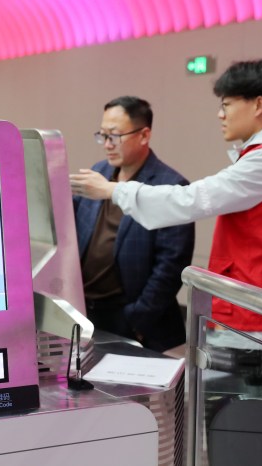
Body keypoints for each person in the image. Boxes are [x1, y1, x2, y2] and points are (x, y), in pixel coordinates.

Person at [70, 59, 262, 465]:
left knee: (245, 440)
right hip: (247, 325)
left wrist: (115, 193)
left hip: (253, 332)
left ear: (258, 105)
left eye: (227, 104)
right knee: (237, 435)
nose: (220, 114)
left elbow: (193, 200)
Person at [73, 95, 195, 353]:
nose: (107, 144)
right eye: (102, 135)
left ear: (144, 135)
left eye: (115, 136)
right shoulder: (99, 173)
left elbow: (171, 266)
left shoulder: (170, 187)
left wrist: (135, 319)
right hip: (88, 312)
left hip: (134, 319)